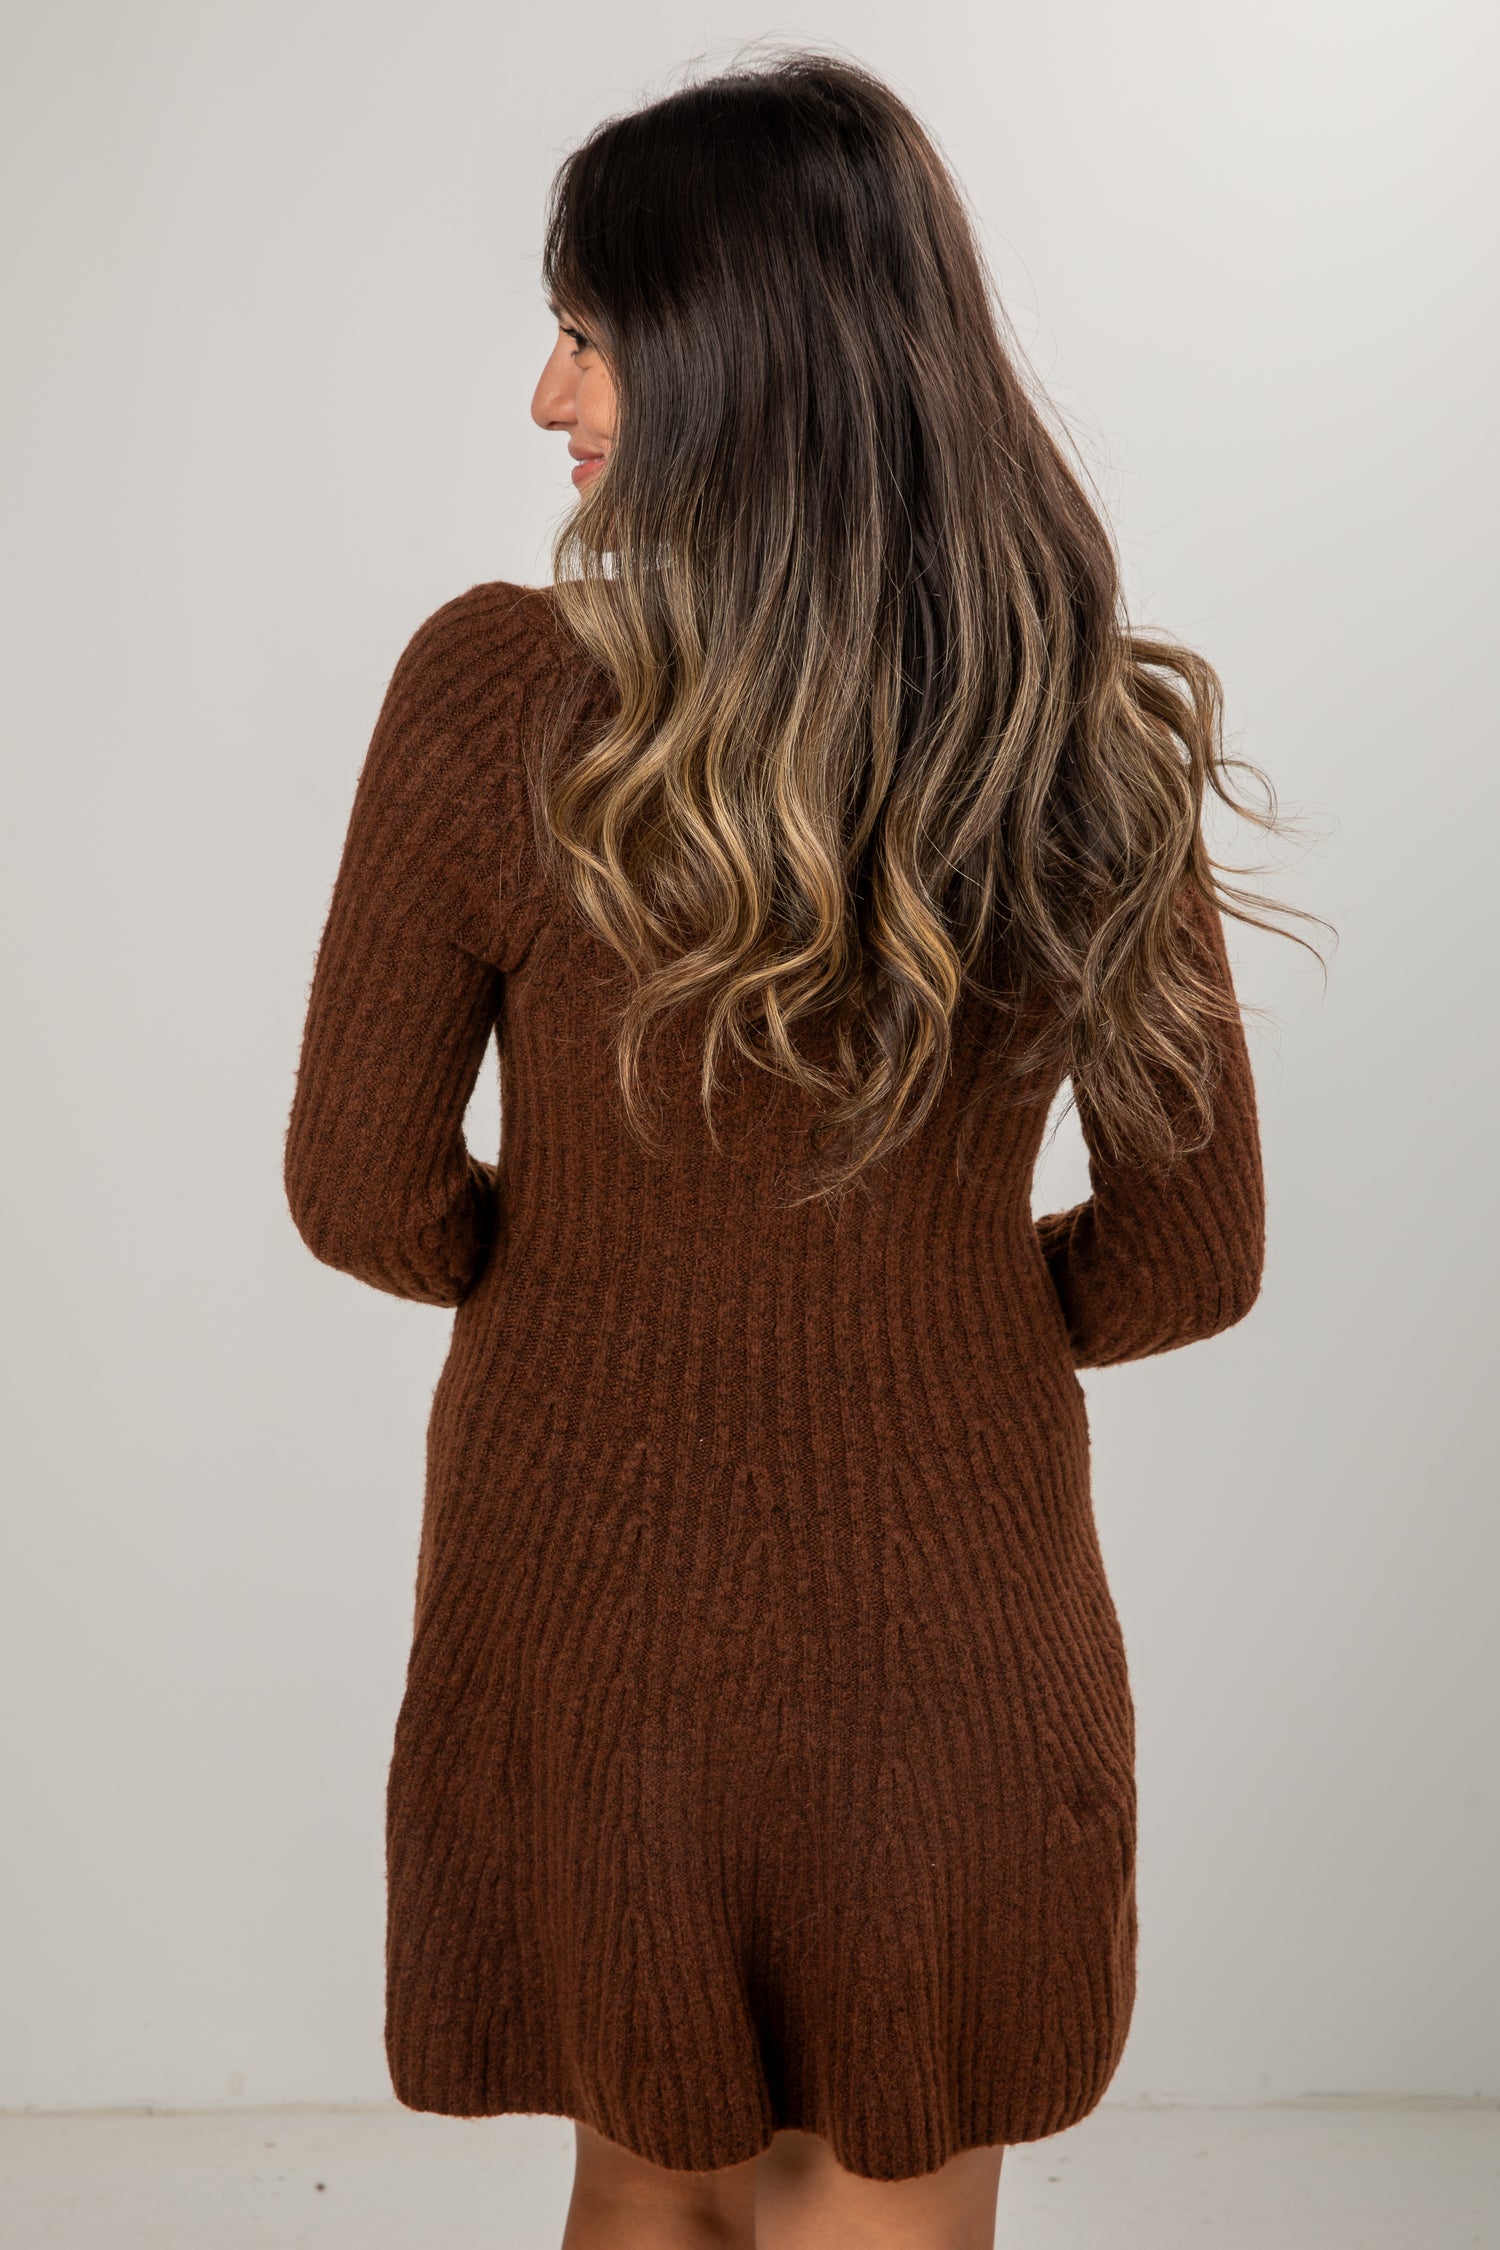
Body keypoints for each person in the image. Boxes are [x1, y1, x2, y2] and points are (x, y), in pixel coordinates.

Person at [284, 50, 1291, 2250]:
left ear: (733, 359)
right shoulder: (1077, 735)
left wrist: (603, 1296)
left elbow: (359, 1192)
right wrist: (931, 1323)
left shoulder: (493, 696)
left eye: (587, 332)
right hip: (954, 1627)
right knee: (889, 2189)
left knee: (648, 2182)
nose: (547, 395)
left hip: (588, 1604)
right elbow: (1193, 1259)